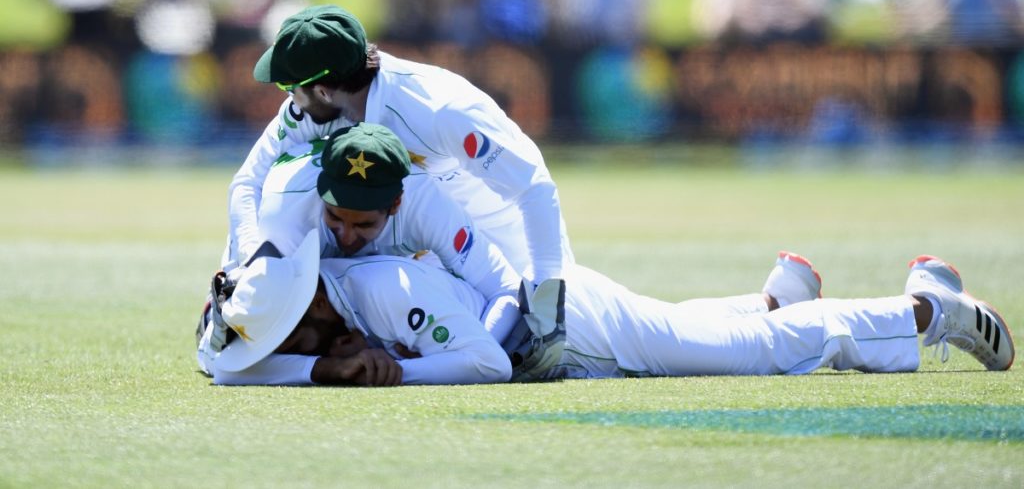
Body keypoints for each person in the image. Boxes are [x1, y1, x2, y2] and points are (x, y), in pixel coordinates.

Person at [232, 3, 575, 372]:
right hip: (426, 249)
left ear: (325, 89)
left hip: (511, 250)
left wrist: (544, 296)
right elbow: (248, 182)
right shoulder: (311, 108)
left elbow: (534, 185)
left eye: (290, 87)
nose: (288, 99)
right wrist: (249, 265)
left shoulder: (439, 109)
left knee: (578, 354)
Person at [207, 242, 1013, 386]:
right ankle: (778, 297)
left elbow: (485, 365)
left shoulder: (384, 290)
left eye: (300, 333)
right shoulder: (302, 299)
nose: (298, 343)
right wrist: (316, 365)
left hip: (565, 320)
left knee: (752, 354)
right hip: (547, 344)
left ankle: (922, 309)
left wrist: (383, 373)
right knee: (700, 336)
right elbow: (223, 364)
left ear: (312, 298)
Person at [198, 122, 523, 379]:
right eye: (335, 217)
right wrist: (327, 370)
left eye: (364, 225)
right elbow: (217, 362)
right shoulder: (284, 221)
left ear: (396, 205)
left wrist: (459, 352)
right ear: (321, 192)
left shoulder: (427, 205)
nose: (346, 237)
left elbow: (507, 289)